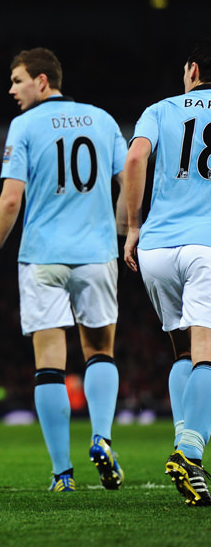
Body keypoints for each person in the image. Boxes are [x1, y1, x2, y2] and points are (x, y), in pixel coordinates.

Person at [0, 48, 126, 492]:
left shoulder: (25, 126)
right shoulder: (103, 120)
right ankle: (101, 437)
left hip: (43, 255)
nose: (11, 90)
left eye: (17, 80)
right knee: (100, 351)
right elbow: (131, 179)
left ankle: (62, 473)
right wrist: (122, 229)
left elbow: (10, 198)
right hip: (96, 252)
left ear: (42, 81)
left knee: (49, 363)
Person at [123, 37, 211, 506]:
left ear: (193, 70)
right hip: (207, 246)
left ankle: (185, 442)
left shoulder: (160, 108)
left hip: (157, 247)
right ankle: (190, 451)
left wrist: (134, 226)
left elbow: (135, 158)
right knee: (208, 353)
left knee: (181, 351)